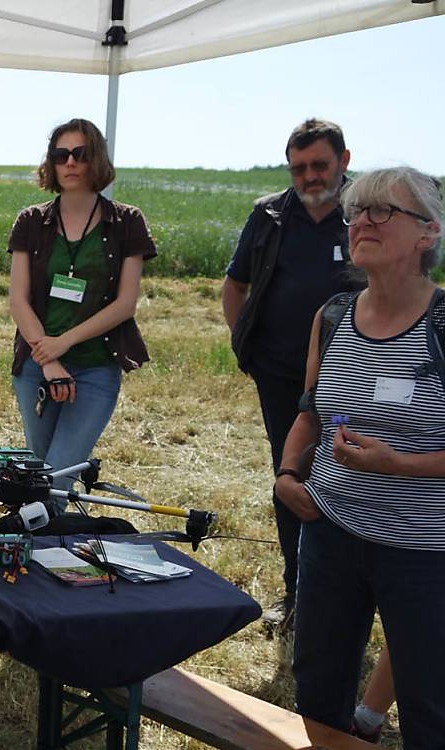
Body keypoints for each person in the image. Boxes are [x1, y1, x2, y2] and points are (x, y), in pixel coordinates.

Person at [274, 166, 445, 749]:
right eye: (356, 212)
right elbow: (310, 413)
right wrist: (288, 474)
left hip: (424, 551)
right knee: (318, 691)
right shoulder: (333, 314)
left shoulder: (442, 324)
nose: (361, 222)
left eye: (381, 211)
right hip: (332, 531)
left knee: (429, 704)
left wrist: (401, 466)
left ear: (428, 233)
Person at [222, 118, 360, 634]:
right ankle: (298, 593)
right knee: (291, 478)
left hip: (355, 378)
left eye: (319, 165)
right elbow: (235, 285)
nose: (309, 176)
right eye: (298, 167)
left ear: (344, 161)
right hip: (281, 375)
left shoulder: (368, 212)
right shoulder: (270, 215)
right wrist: (245, 346)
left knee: (351, 479)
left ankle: (346, 599)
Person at [8, 118, 155, 511]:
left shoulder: (127, 222)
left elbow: (125, 304)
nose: (70, 162)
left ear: (96, 160)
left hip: (94, 367)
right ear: (51, 163)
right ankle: (46, 556)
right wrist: (50, 357)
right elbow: (17, 301)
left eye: (80, 154)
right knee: (39, 477)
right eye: (61, 155)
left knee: (57, 479)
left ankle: (40, 555)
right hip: (38, 367)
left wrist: (66, 343)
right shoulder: (31, 221)